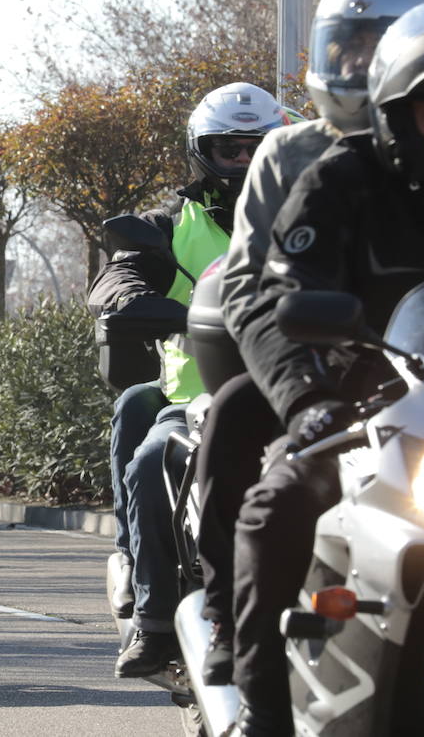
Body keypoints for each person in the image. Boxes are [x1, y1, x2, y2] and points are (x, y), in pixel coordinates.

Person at [228, 0, 424, 735]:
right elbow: (280, 299)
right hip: (372, 416)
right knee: (274, 507)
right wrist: (309, 400)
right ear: (397, 118)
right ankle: (261, 714)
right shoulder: (340, 181)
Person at [193, 0, 424, 686]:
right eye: (350, 48)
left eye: (382, 46)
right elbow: (250, 282)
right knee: (238, 416)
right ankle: (238, 637)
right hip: (334, 374)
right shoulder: (301, 154)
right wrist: (302, 391)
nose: (361, 65)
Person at [89, 82, 285, 678]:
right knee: (150, 461)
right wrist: (140, 298)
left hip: (299, 389)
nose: (246, 162)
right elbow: (115, 281)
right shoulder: (170, 224)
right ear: (202, 152)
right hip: (196, 397)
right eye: (230, 149)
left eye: (260, 147)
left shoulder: (316, 210)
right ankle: (152, 620)